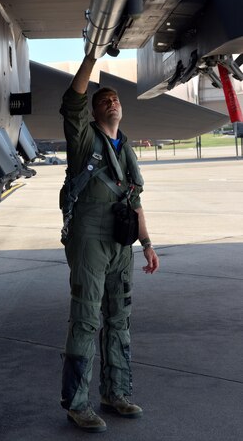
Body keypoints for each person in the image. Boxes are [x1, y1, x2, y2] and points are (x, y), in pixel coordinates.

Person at [60, 53, 159, 433]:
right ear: (96, 111)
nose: (111, 102)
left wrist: (147, 243)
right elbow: (73, 100)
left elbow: (135, 201)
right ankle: (77, 403)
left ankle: (116, 393)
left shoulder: (126, 150)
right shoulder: (85, 142)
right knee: (86, 320)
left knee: (119, 321)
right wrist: (91, 56)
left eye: (116, 98)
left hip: (122, 244)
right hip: (90, 240)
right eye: (104, 100)